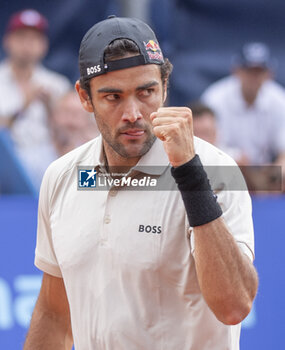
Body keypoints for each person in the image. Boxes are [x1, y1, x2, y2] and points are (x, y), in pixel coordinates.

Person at [24, 16, 258, 350]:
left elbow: (234, 305)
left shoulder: (216, 169)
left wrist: (189, 171)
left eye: (146, 92)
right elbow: (56, 313)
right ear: (84, 97)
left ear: (165, 85)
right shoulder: (63, 176)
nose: (133, 112)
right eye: (113, 97)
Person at [0, 9, 71, 189]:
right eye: (21, 37)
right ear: (7, 41)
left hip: (47, 164)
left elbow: (68, 139)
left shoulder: (57, 84)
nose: (27, 45)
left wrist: (50, 109)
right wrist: (24, 105)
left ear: (44, 45)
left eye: (34, 39)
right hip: (6, 165)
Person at [201, 42, 285, 171]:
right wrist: (234, 158)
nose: (254, 77)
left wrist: (277, 172)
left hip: (263, 174)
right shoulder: (215, 98)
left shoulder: (279, 100)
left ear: (269, 74)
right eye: (249, 71)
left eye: (259, 72)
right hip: (224, 168)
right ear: (236, 71)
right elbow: (205, 146)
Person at [49, 90, 99, 157]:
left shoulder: (96, 155)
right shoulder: (39, 150)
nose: (71, 121)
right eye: (66, 112)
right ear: (53, 116)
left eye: (77, 114)